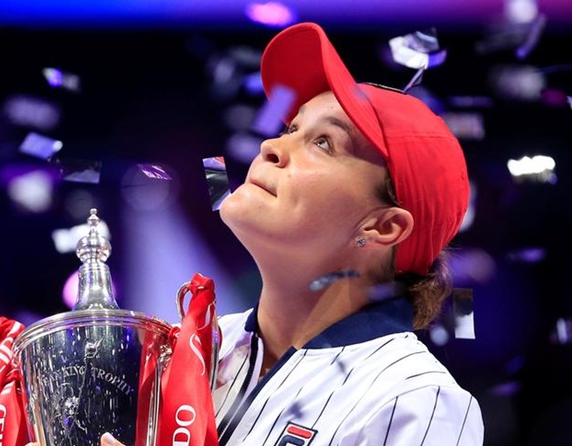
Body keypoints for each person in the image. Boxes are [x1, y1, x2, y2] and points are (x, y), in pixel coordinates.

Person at [29, 21, 484, 446]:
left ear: (382, 226)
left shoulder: (416, 401)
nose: (271, 146)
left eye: (324, 142)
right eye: (291, 128)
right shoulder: (185, 350)